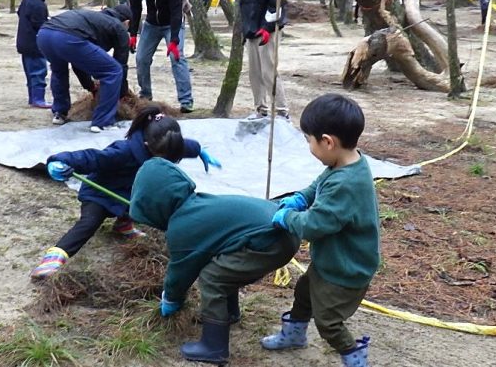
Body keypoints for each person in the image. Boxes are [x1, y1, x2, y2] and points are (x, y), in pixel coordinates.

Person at [129, 157, 301, 365]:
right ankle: (228, 313)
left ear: (154, 204)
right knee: (223, 265)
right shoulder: (200, 203)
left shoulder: (182, 227)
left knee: (213, 278)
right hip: (284, 230)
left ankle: (214, 347)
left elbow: (180, 272)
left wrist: (171, 299)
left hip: (271, 242)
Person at [30, 105, 222, 279]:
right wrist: (60, 160)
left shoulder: (166, 144)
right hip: (100, 193)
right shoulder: (123, 151)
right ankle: (55, 256)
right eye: (163, 156)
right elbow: (93, 158)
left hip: (128, 192)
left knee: (145, 203)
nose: (166, 160)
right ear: (147, 145)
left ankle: (123, 224)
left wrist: (199, 151)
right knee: (89, 223)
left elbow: (184, 147)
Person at [261, 93, 380, 367]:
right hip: (332, 260)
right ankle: (294, 335)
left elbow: (314, 226)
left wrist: (287, 217)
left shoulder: (345, 184)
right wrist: (301, 198)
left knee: (328, 321)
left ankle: (354, 356)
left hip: (346, 269)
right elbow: (319, 184)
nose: (308, 146)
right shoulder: (347, 162)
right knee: (304, 293)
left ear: (327, 142)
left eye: (309, 140)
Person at [220, 0, 289, 120]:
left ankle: (281, 112)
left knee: (268, 71)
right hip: (252, 28)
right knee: (255, 73)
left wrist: (268, 26)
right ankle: (261, 109)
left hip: (267, 27)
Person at [37, 4, 132, 133]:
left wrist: (90, 86)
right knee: (113, 71)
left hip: (44, 35)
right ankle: (103, 122)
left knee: (59, 71)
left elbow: (79, 63)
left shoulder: (94, 20)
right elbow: (121, 65)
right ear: (127, 22)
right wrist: (122, 93)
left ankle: (60, 113)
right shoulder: (118, 27)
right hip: (67, 37)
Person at [128, 0, 194, 113]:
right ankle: (145, 96)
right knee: (141, 58)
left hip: (172, 24)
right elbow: (135, 7)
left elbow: (176, 10)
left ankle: (186, 101)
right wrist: (133, 33)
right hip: (151, 24)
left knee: (177, 57)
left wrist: (174, 40)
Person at [16, 0, 56, 109]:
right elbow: (41, 26)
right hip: (35, 46)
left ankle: (32, 97)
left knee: (30, 73)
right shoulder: (38, 5)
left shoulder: (27, 0)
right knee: (38, 72)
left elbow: (20, 13)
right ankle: (38, 98)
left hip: (23, 43)